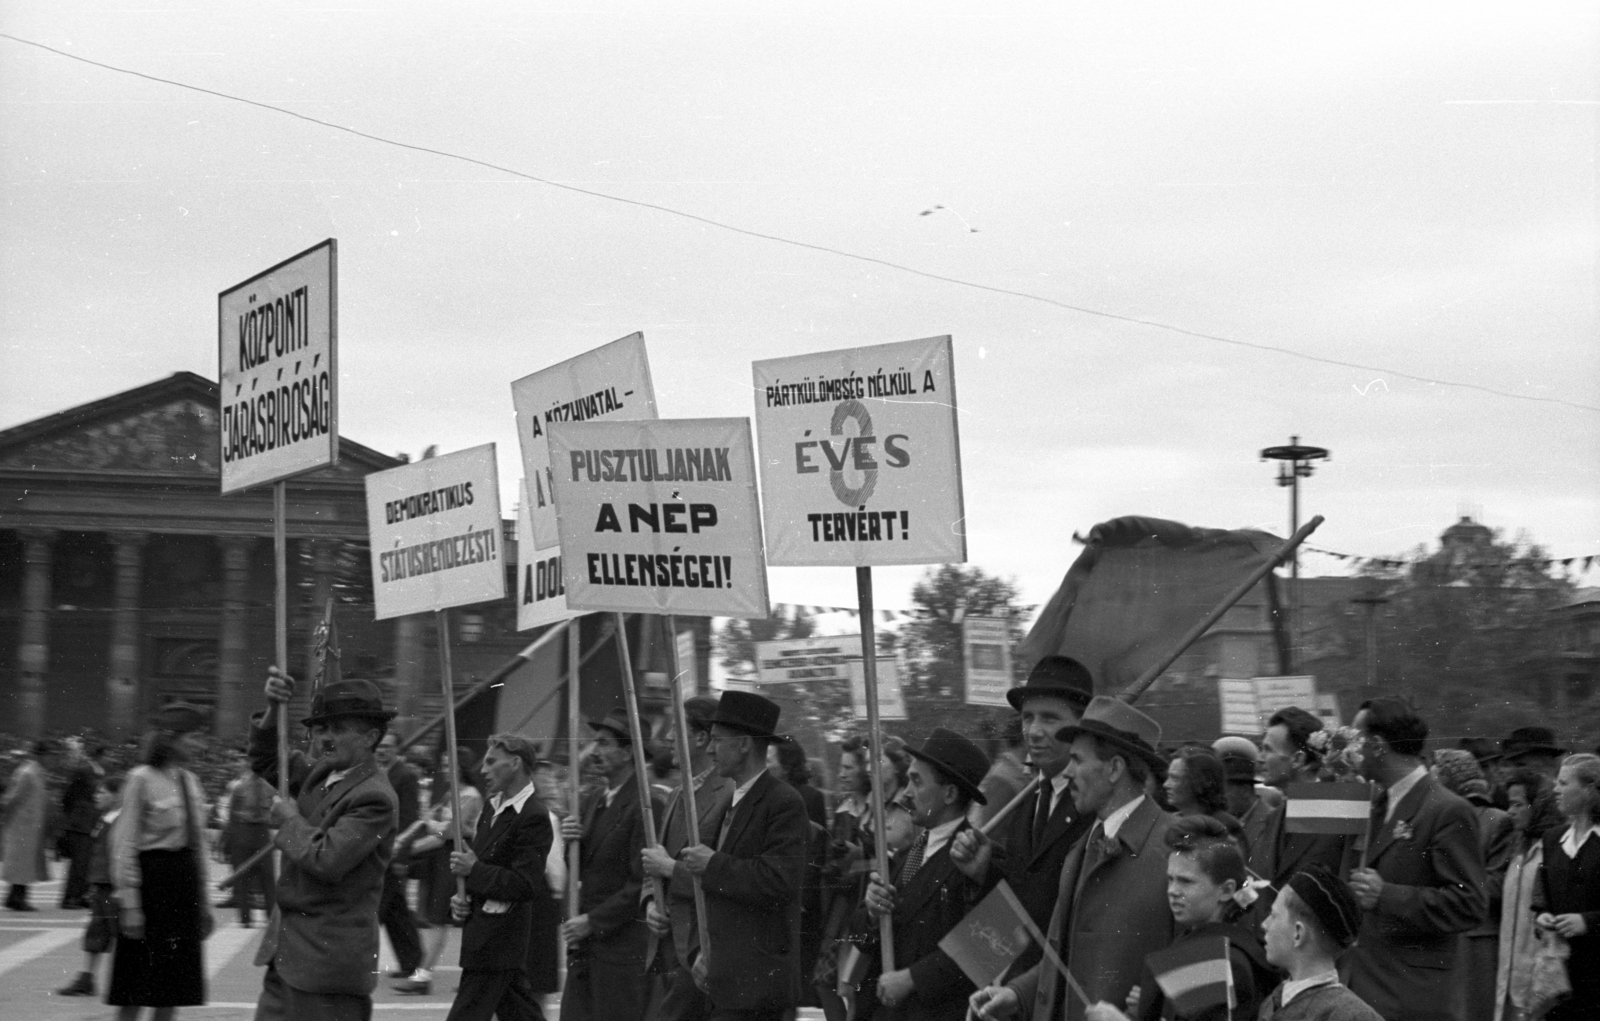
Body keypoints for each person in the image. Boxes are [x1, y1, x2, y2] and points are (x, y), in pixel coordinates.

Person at [969, 696, 1176, 1021]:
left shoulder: (1176, 847)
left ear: (1114, 769)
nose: (1070, 772)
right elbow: (1064, 958)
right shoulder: (1083, 845)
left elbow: (1204, 982)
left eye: (1078, 760)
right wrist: (1017, 993)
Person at [249, 669, 400, 1021]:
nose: (325, 739)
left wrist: (288, 820)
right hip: (287, 956)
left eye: (338, 729)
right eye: (320, 729)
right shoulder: (320, 773)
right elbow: (265, 760)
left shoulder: (375, 797)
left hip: (325, 965)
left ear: (370, 737)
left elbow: (328, 859)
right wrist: (274, 707)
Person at [949, 655, 1097, 980]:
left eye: (1050, 718)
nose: (1034, 731)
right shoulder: (1031, 798)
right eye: (1027, 718)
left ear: (1081, 726)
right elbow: (1022, 901)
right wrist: (984, 871)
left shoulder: (1096, 806)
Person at [1341, 697, 1488, 1021]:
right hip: (1366, 990)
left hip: (1412, 997)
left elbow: (1470, 903)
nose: (1350, 749)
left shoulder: (1446, 809)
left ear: (1378, 745)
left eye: (1356, 739)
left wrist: (1387, 895)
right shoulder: (1376, 805)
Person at [667, 690, 810, 1021]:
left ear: (745, 744)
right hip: (726, 980)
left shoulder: (783, 802)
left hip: (757, 986)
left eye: (718, 740)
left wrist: (712, 864)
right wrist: (701, 951)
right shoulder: (734, 801)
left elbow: (778, 880)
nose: (710, 749)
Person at [1081, 815, 1271, 1021]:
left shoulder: (1219, 960)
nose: (1173, 891)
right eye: (1170, 879)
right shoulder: (1201, 943)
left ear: (1226, 890)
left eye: (1186, 882)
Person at [862, 728, 994, 1021]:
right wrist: (872, 912)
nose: (906, 792)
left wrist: (912, 979)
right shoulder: (911, 851)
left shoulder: (977, 858)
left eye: (917, 781)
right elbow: (862, 936)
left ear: (949, 793)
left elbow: (985, 948)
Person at [107, 703, 214, 1021]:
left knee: (172, 989)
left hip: (182, 889)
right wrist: (131, 906)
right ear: (172, 739)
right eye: (194, 738)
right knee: (135, 988)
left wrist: (204, 902)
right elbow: (124, 844)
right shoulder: (140, 778)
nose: (200, 745)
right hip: (151, 889)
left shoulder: (190, 781)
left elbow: (198, 846)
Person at [441, 733, 555, 1021]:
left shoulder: (533, 815)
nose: (483, 770)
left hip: (499, 941)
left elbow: (524, 883)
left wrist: (473, 871)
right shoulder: (492, 807)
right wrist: (462, 897)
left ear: (515, 763)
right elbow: (480, 865)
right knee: (521, 1013)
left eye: (492, 762)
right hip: (484, 936)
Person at [641, 695, 735, 1021]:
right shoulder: (678, 793)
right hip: (668, 942)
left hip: (702, 944)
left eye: (675, 729)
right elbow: (655, 859)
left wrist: (669, 869)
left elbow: (724, 870)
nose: (667, 737)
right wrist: (650, 903)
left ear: (700, 737)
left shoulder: (728, 794)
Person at [559, 708, 655, 1021]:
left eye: (604, 743)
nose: (595, 751)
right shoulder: (593, 800)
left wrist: (593, 921)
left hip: (619, 949)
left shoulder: (645, 805)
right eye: (595, 743)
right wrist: (572, 841)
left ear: (628, 752)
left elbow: (641, 882)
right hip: (585, 948)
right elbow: (584, 866)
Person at [1245, 707, 1351, 924]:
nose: (1260, 758)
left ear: (1298, 759)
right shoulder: (1274, 817)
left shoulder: (1338, 814)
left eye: (1267, 750)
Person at [1432, 748, 1514, 1021]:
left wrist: (1451, 889)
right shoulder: (1438, 819)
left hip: (1478, 937)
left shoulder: (1496, 820)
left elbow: (1500, 881)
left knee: (1476, 1010)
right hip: (1445, 932)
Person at [396, 746, 483, 995]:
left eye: (448, 765)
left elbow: (448, 831)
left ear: (460, 767)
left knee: (442, 920)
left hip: (458, 858)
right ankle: (443, 975)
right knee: (442, 918)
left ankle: (423, 976)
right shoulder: (451, 794)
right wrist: (409, 842)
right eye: (443, 764)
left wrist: (429, 823)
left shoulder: (470, 795)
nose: (444, 769)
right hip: (444, 859)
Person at [1256, 865, 1383, 1021]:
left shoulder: (1351, 1016)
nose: (1264, 924)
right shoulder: (1272, 1002)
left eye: (1273, 915)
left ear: (1298, 933)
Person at [1534, 752, 1600, 1021]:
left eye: (1563, 783)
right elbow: (1543, 897)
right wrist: (1542, 917)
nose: (1555, 790)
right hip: (1561, 978)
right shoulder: (1553, 839)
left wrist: (1589, 922)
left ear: (1589, 789)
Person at [1494, 767, 1564, 1021]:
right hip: (1511, 977)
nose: (1510, 811)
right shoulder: (1518, 850)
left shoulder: (1555, 850)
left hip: (1542, 976)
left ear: (1539, 806)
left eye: (1518, 804)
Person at [56, 773, 123, 998]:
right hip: (102, 886)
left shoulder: (121, 822)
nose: (96, 796)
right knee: (96, 933)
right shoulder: (105, 819)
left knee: (121, 935)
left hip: (116, 887)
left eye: (102, 792)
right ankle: (86, 979)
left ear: (116, 796)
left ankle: (130, 982)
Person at [372, 731, 425, 988]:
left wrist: (402, 856)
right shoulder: (378, 771)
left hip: (393, 853)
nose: (382, 750)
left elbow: (409, 818)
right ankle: (411, 962)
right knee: (396, 913)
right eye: (380, 746)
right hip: (377, 850)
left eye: (388, 746)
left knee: (378, 909)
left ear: (397, 749)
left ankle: (361, 961)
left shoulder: (405, 776)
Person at [220, 754, 276, 928]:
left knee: (263, 877)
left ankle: (263, 917)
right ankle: (249, 917)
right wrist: (228, 839)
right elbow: (232, 817)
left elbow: (232, 818)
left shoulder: (268, 789)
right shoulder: (242, 788)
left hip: (256, 831)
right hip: (248, 831)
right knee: (250, 876)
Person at [2, 739, 56, 911]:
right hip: (20, 827)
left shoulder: (38, 773)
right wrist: (6, 822)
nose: (52, 759)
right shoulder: (27, 773)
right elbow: (12, 799)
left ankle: (14, 897)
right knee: (21, 863)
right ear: (41, 755)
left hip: (31, 828)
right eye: (49, 755)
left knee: (26, 864)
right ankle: (17, 898)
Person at [59, 739, 106, 909]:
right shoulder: (86, 770)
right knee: (80, 863)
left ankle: (80, 896)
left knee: (86, 862)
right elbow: (70, 797)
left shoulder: (94, 771)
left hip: (89, 821)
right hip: (81, 822)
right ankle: (71, 897)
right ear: (101, 755)